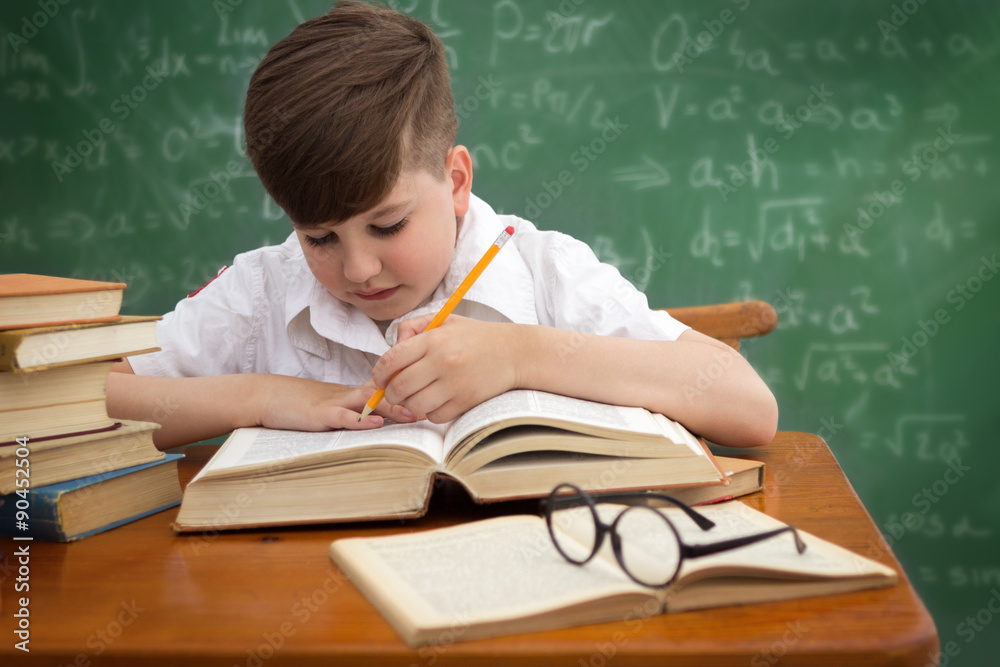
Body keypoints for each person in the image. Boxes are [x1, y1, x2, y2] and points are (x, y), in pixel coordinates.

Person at [107, 0, 777, 450]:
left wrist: (520, 356)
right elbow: (66, 412)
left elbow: (750, 407)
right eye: (320, 237)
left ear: (456, 181)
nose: (359, 268)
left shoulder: (542, 269)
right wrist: (258, 394)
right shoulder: (263, 291)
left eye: (389, 225)